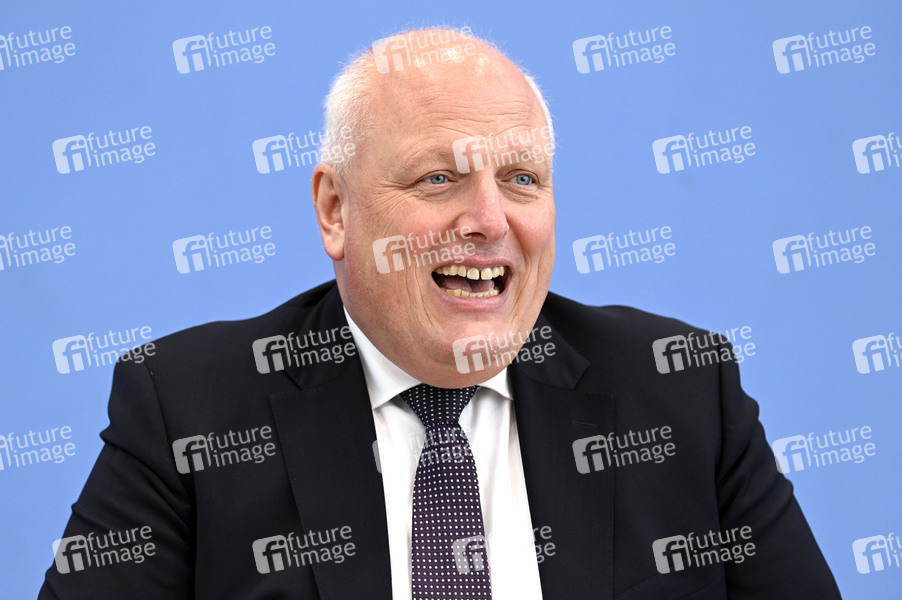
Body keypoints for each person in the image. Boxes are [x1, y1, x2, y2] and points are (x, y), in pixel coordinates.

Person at [40, 28, 842, 599]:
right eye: (438, 180)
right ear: (335, 211)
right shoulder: (188, 408)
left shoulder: (680, 390)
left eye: (522, 179)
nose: (490, 220)